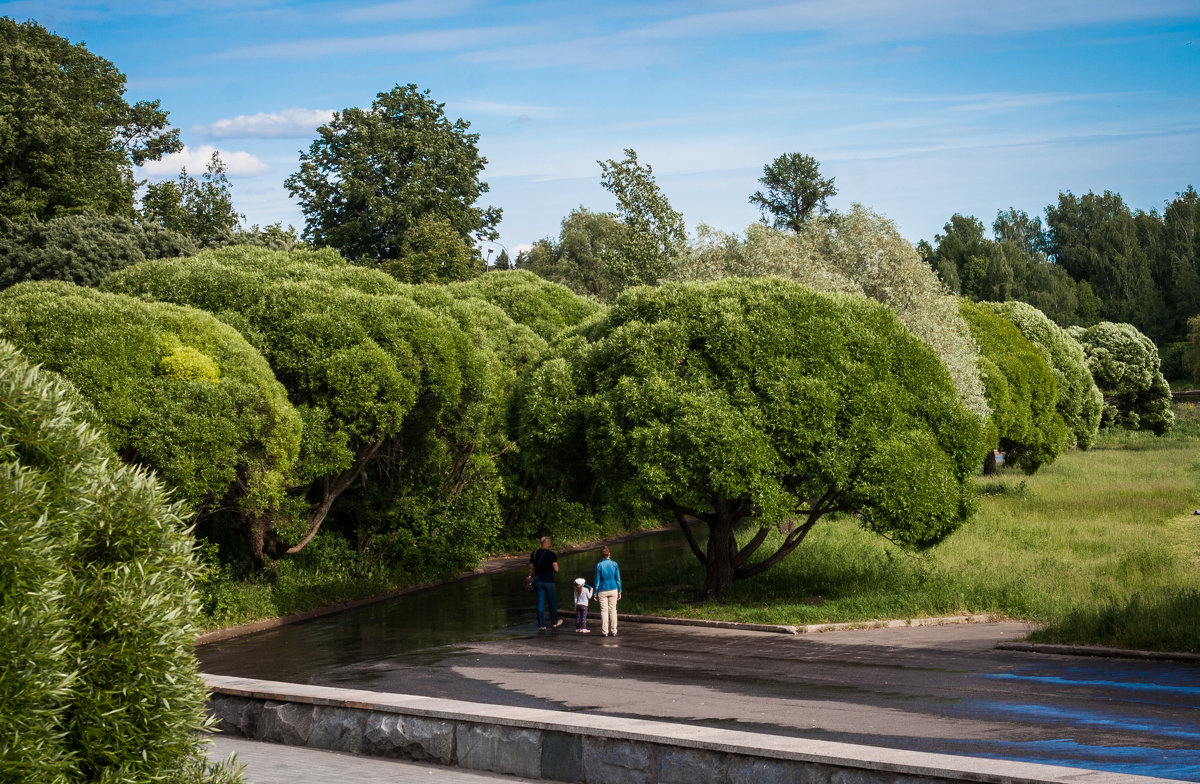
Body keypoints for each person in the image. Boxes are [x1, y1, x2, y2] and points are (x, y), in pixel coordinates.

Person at [528, 536, 562, 630]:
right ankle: (554, 622)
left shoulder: (534, 553)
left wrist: (530, 578)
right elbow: (556, 569)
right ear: (547, 543)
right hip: (549, 582)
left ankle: (541, 625)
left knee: (540, 603)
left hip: (538, 581)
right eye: (550, 542)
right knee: (552, 603)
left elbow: (531, 567)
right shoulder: (551, 554)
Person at [592, 545, 622, 637]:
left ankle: (605, 631)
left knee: (604, 611)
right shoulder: (615, 564)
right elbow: (618, 579)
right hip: (613, 588)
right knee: (613, 610)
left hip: (602, 589)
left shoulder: (599, 565)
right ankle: (614, 631)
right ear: (609, 554)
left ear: (601, 555)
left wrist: (595, 593)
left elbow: (597, 581)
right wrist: (620, 591)